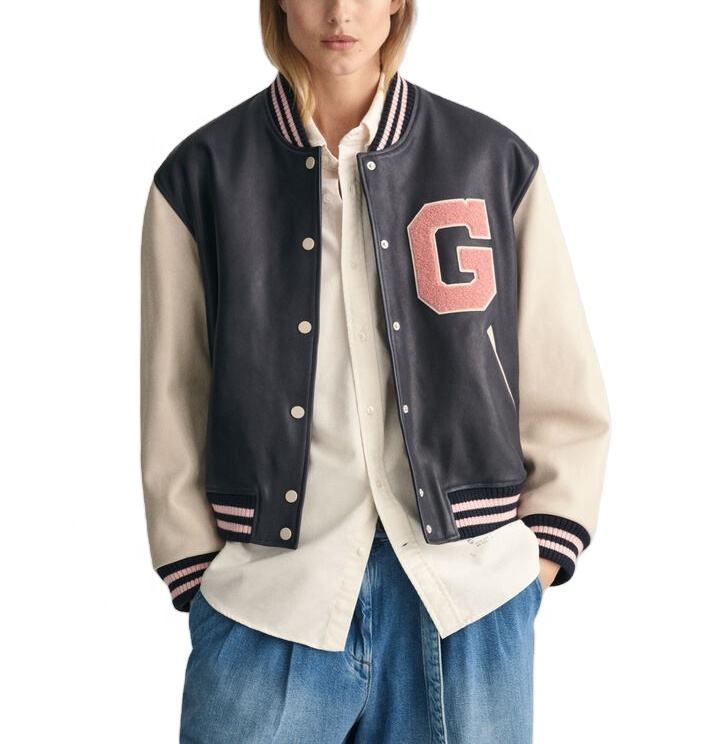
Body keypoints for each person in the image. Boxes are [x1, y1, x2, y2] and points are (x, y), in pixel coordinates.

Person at [140, 1, 611, 741]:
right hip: (267, 597)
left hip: (468, 597)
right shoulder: (201, 175)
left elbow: (559, 368)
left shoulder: (490, 160)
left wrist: (542, 552)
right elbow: (174, 387)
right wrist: (198, 574)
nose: (340, 13)